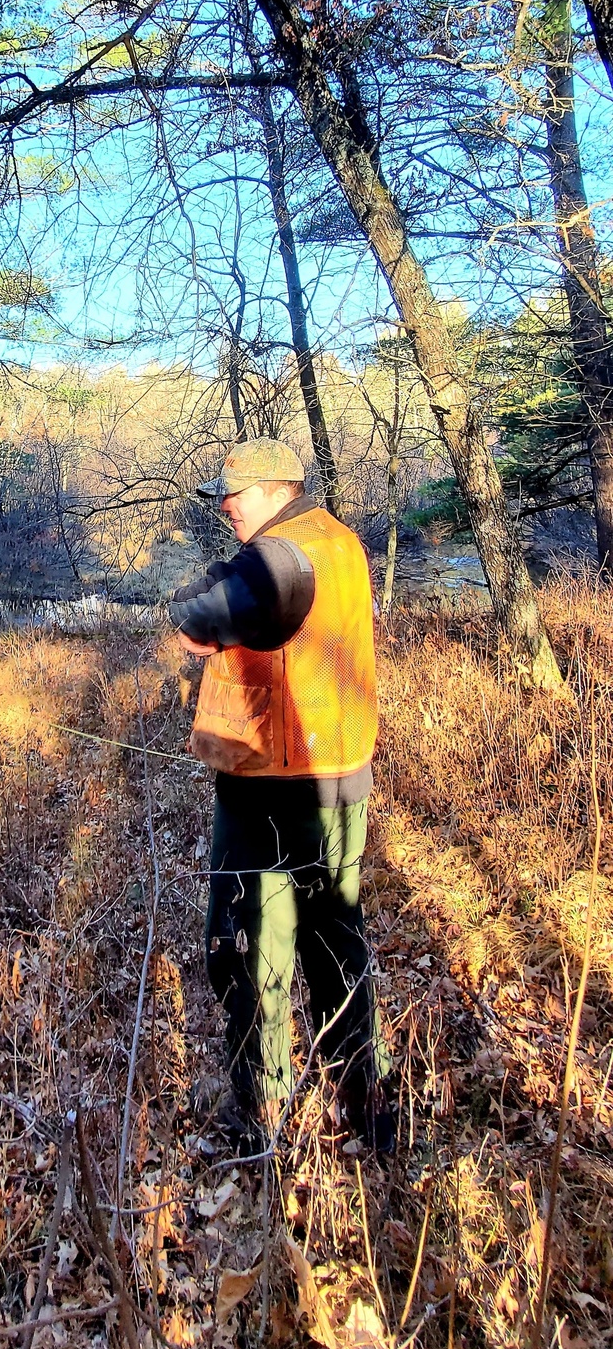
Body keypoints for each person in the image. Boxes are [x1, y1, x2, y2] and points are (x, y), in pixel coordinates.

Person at [169, 437, 394, 1155]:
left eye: (233, 493)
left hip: (270, 793)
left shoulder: (278, 555)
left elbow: (201, 617)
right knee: (336, 944)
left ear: (272, 488)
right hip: (339, 783)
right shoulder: (340, 541)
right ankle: (368, 1103)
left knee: (246, 952)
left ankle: (261, 1119)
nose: (226, 505)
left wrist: (196, 604)